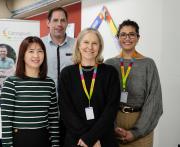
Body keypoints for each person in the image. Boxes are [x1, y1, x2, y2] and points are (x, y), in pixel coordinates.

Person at [105, 19, 163, 147]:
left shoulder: (148, 64)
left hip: (142, 123)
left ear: (138, 38)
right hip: (114, 121)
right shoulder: (109, 64)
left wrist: (136, 132)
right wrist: (112, 126)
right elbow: (103, 99)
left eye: (132, 34)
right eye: (123, 34)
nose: (127, 38)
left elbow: (154, 102)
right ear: (118, 38)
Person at [58, 28, 121, 147]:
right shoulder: (67, 73)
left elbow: (111, 109)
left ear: (100, 46)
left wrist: (92, 136)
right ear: (79, 45)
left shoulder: (110, 73)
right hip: (77, 140)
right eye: (86, 42)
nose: (90, 47)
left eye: (94, 43)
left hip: (103, 140)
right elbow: (66, 111)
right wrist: (88, 138)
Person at [0, 36, 59, 147]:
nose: (36, 56)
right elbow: (6, 121)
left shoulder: (49, 83)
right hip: (20, 139)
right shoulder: (11, 83)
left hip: (43, 139)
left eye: (40, 51)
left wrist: (55, 144)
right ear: (23, 55)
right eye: (31, 51)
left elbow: (53, 118)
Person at [42, 7, 75, 85]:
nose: (59, 24)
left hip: (70, 95)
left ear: (67, 23)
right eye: (55, 20)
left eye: (63, 20)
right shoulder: (39, 44)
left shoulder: (77, 44)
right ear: (48, 23)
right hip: (46, 94)